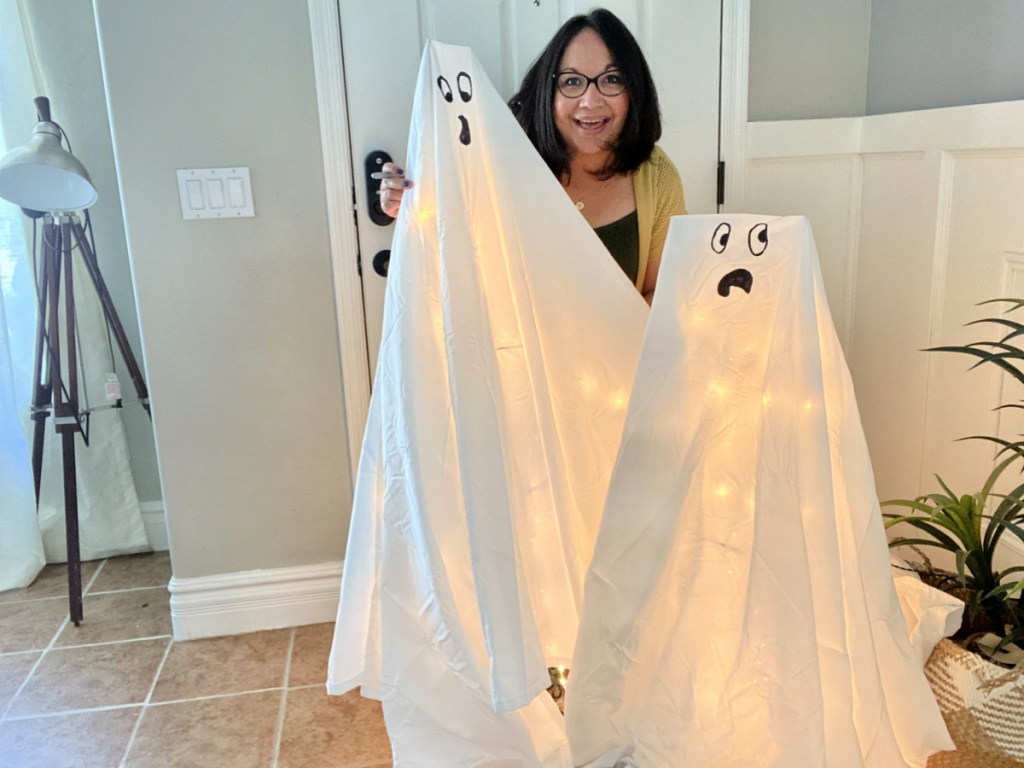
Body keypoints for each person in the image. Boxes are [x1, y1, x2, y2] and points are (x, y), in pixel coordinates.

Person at [377, 8, 686, 302]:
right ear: (548, 92)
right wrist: (412, 207)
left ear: (634, 91)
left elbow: (660, 294)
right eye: (572, 81)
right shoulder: (497, 163)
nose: (590, 101)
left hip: (620, 357)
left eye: (612, 79)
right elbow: (452, 260)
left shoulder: (657, 178)